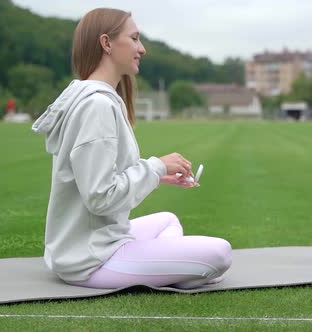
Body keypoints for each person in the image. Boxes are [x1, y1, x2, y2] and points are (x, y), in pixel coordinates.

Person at [31, 8, 232, 289]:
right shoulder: (96, 106)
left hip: (93, 242)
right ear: (107, 43)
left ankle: (174, 270)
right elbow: (100, 197)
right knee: (219, 253)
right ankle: (180, 272)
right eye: (135, 38)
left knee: (167, 220)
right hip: (91, 259)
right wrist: (156, 166)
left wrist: (157, 176)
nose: (142, 49)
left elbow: (100, 177)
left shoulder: (97, 99)